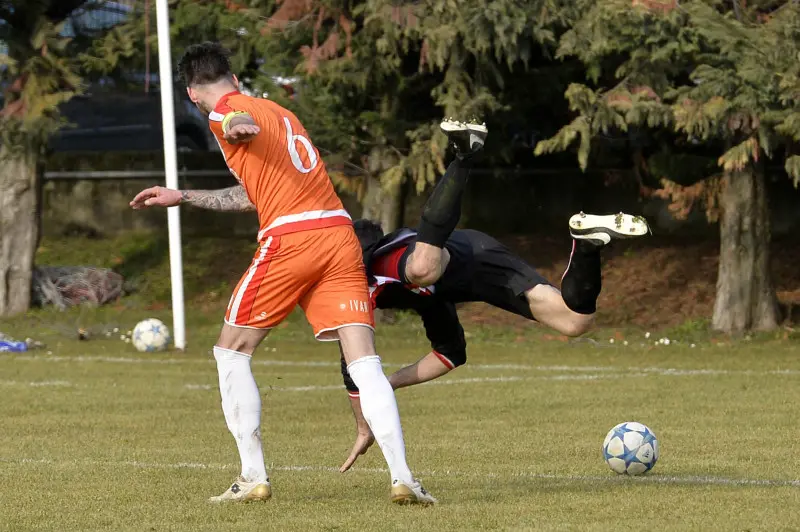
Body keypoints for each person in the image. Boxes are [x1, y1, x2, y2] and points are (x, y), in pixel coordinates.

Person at [129, 42, 435, 505]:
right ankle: (404, 479)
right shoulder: (282, 113)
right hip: (340, 234)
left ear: (193, 93)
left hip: (293, 239)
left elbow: (233, 122)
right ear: (232, 75)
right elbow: (253, 194)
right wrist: (184, 195)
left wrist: (234, 124)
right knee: (364, 360)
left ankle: (252, 476)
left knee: (231, 350)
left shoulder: (228, 111)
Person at [338, 124, 650, 472]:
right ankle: (587, 244)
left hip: (458, 251)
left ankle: (465, 153)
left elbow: (354, 360)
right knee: (575, 321)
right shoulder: (418, 300)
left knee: (423, 267)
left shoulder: (378, 262)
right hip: (479, 266)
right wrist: (388, 385)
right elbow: (448, 355)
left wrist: (367, 414)